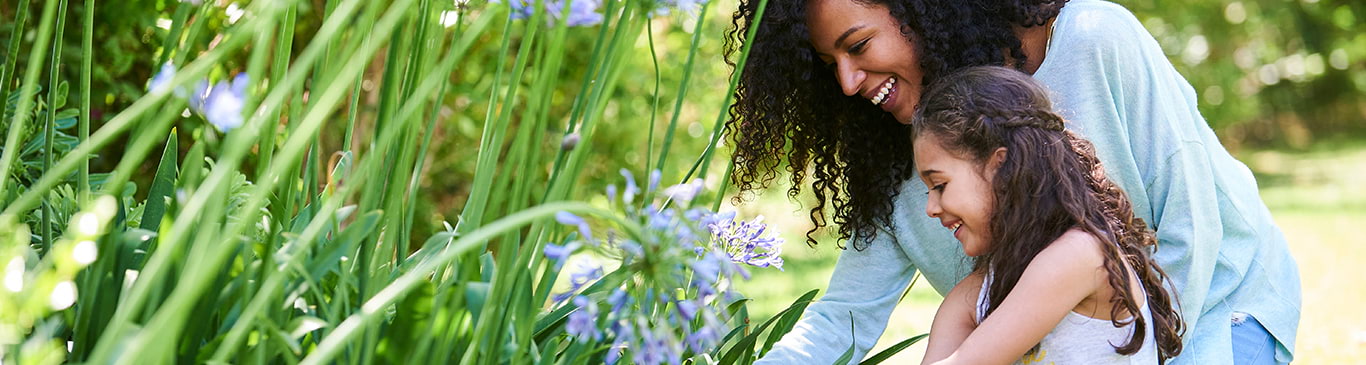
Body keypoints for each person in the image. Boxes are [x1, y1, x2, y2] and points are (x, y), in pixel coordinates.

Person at [724, 0, 1301, 363]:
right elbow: (841, 319)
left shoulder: (1094, 40)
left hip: (1218, 309)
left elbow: (1191, 227)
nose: (848, 82)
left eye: (858, 45)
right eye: (831, 65)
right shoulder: (901, 157)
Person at [911, 66, 1182, 364]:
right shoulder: (977, 292)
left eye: (939, 185)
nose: (931, 208)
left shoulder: (1079, 255)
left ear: (998, 166)